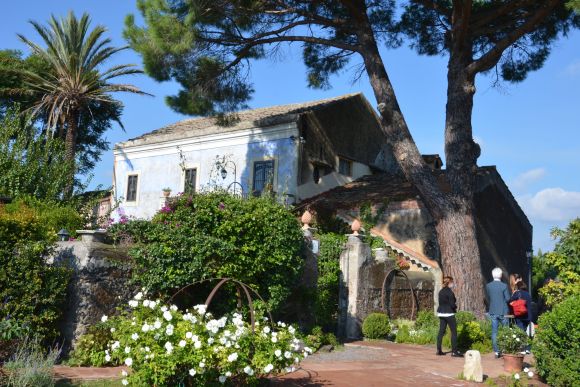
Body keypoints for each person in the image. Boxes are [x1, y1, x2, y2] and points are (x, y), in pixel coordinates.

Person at [486, 267, 510, 358]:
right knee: (505, 331)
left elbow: (489, 296)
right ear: (500, 275)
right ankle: (505, 348)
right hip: (503, 311)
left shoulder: (488, 286)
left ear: (492, 275)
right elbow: (507, 298)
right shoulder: (504, 286)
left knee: (494, 332)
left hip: (492, 310)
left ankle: (496, 351)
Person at [436, 276, 462, 357]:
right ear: (449, 282)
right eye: (452, 282)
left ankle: (439, 350)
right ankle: (454, 352)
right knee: (454, 332)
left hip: (441, 313)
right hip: (449, 313)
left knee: (441, 331)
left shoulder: (441, 291)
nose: (453, 284)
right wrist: (455, 307)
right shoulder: (450, 292)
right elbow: (452, 304)